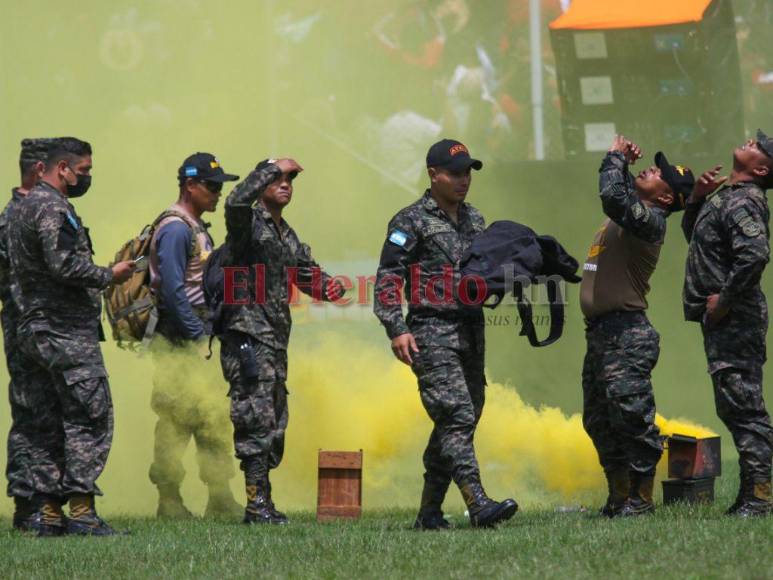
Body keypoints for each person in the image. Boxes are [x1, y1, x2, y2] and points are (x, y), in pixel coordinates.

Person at [373, 138, 517, 529]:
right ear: (433, 174)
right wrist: (396, 328)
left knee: (461, 419)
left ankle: (429, 514)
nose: (463, 179)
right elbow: (388, 278)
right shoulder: (409, 221)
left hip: (472, 331)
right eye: (455, 173)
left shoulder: (475, 220)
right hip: (430, 331)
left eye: (468, 172)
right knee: (455, 414)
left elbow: (485, 271)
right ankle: (478, 503)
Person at [7, 138, 135, 536]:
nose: (86, 178)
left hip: (33, 328)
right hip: (64, 330)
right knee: (89, 415)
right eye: (84, 171)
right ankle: (81, 512)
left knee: (45, 420)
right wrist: (109, 275)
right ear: (62, 168)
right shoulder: (52, 207)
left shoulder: (20, 209)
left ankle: (48, 513)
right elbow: (63, 264)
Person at [221, 158, 343, 524]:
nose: (286, 183)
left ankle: (264, 501)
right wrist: (269, 168)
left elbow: (307, 275)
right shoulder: (247, 225)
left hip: (275, 340)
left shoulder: (286, 234)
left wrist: (329, 288)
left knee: (274, 422)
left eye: (290, 179)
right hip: (247, 336)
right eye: (278, 179)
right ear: (262, 183)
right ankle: (255, 504)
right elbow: (234, 202)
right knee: (254, 419)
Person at [580, 136, 694, 517]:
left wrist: (615, 157)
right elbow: (618, 192)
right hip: (602, 334)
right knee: (598, 420)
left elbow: (613, 196)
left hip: (626, 335)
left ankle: (641, 500)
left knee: (631, 417)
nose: (653, 169)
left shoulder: (651, 222)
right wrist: (622, 163)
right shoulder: (632, 213)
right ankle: (619, 497)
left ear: (665, 197)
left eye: (661, 173)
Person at [682, 129, 773, 517]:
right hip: (725, 320)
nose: (751, 142)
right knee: (735, 406)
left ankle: (761, 498)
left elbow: (755, 255)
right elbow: (698, 240)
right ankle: (752, 496)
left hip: (736, 319)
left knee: (745, 409)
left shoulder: (745, 201)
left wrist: (724, 300)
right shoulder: (727, 196)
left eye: (759, 147)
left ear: (763, 169)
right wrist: (696, 199)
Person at [147, 153, 241, 518]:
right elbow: (173, 292)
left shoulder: (195, 226)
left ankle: (220, 496)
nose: (218, 193)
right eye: (212, 186)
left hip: (200, 332)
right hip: (180, 337)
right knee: (175, 418)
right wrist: (197, 337)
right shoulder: (176, 228)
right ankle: (169, 499)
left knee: (211, 414)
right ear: (190, 185)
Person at [0, 138, 56, 530]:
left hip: (35, 327)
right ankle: (29, 505)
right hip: (28, 328)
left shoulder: (27, 213)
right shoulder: (18, 217)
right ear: (40, 170)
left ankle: (42, 504)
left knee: (43, 414)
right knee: (32, 415)